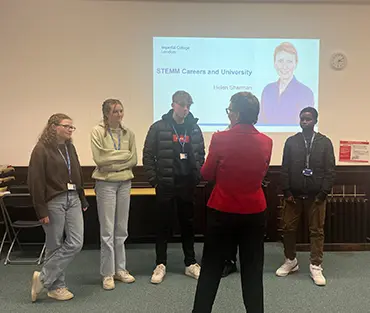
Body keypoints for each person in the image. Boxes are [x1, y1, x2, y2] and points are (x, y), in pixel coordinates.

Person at [192, 92, 273, 313]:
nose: (229, 115)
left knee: (211, 269)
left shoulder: (220, 138)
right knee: (253, 272)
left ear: (236, 113)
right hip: (254, 213)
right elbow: (262, 173)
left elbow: (206, 174)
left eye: (229, 111)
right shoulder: (267, 142)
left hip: (222, 211)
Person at [143, 90, 205, 284]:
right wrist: (155, 180)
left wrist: (196, 175)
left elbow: (201, 153)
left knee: (188, 224)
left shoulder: (194, 129)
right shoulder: (159, 127)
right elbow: (148, 155)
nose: (185, 109)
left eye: (188, 106)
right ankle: (160, 264)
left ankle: (190, 263)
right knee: (163, 225)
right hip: (166, 184)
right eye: (181, 105)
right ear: (173, 105)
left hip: (187, 183)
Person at [28, 113, 88, 302]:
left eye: (72, 127)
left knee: (76, 242)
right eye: (67, 126)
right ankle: (57, 287)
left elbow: (76, 172)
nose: (71, 130)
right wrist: (41, 210)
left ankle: (43, 277)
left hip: (73, 199)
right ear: (54, 127)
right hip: (54, 201)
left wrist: (82, 197)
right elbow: (35, 182)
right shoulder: (41, 149)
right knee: (54, 245)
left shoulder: (69, 147)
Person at [276, 107, 335, 286]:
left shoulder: (325, 142)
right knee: (287, 228)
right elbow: (284, 167)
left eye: (308, 119)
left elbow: (330, 170)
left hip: (316, 197)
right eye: (302, 119)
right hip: (293, 196)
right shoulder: (291, 142)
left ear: (315, 121)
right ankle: (290, 261)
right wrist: (286, 191)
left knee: (316, 231)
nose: (304, 122)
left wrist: (323, 193)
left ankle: (316, 265)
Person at [91, 99, 137, 290]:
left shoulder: (129, 133)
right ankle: (107, 273)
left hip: (125, 182)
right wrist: (122, 155)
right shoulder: (97, 132)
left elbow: (133, 159)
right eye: (115, 111)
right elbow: (99, 159)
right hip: (105, 184)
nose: (119, 114)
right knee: (107, 230)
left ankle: (120, 269)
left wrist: (113, 158)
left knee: (121, 229)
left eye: (121, 110)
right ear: (107, 114)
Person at [260, 42, 315, 126]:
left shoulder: (306, 92)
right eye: (280, 61)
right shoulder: (267, 90)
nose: (284, 66)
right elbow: (262, 120)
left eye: (289, 61)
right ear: (275, 63)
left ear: (295, 64)